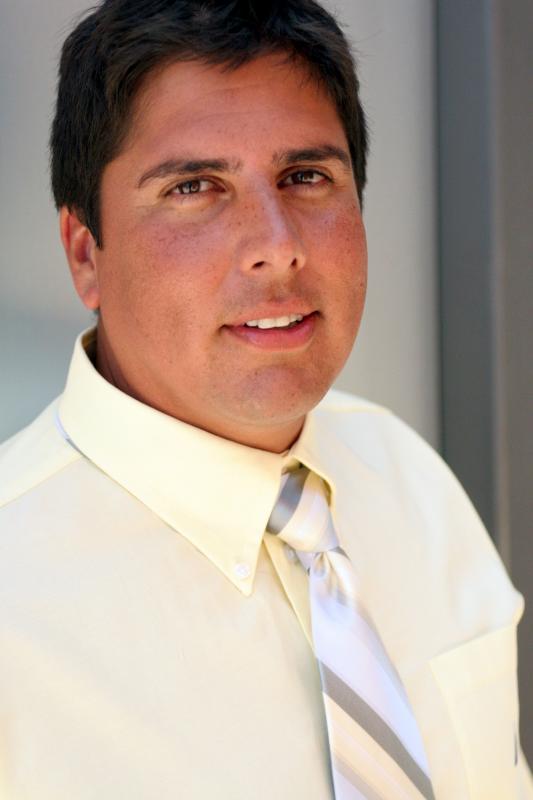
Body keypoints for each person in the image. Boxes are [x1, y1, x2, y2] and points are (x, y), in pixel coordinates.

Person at [0, 0, 530, 798]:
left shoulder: (411, 482)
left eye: (305, 177)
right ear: (85, 254)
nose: (276, 246)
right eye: (194, 187)